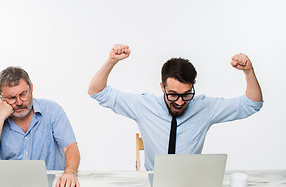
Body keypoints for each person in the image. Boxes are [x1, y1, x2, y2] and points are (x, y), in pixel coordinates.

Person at [88, 44, 263, 170]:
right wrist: (111, 61)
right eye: (173, 95)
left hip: (190, 183)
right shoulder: (143, 106)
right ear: (162, 87)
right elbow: (96, 91)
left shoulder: (205, 107)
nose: (180, 102)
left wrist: (248, 71)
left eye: (186, 94)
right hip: (152, 182)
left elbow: (252, 104)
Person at [0, 67, 80, 187]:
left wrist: (70, 172)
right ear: (1, 98)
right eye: (11, 98)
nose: (19, 102)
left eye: (23, 94)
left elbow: (70, 147)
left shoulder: (52, 110)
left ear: (31, 88)